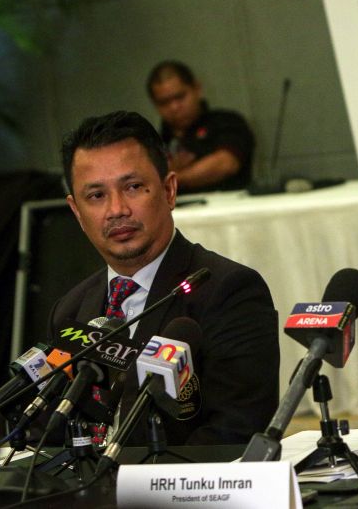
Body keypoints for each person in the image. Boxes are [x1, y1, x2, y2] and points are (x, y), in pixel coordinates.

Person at [52, 110, 278, 445]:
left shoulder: (230, 291)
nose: (117, 210)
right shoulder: (70, 311)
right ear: (77, 213)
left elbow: (234, 435)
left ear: (169, 190)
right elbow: (54, 435)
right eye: (96, 196)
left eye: (133, 187)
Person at [146, 60, 254, 193]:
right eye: (164, 102)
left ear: (197, 89)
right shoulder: (152, 142)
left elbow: (226, 164)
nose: (174, 107)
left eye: (180, 97)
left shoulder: (227, 122)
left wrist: (170, 177)